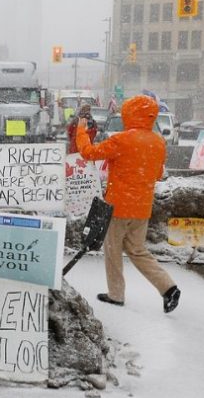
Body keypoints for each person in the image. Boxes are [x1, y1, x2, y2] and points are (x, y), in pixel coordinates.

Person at [76, 94, 181, 313]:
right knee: (138, 250)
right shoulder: (158, 142)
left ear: (129, 114)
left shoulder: (122, 140)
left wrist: (81, 129)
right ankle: (168, 287)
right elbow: (159, 173)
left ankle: (116, 294)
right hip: (142, 208)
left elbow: (88, 153)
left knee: (113, 250)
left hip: (118, 207)